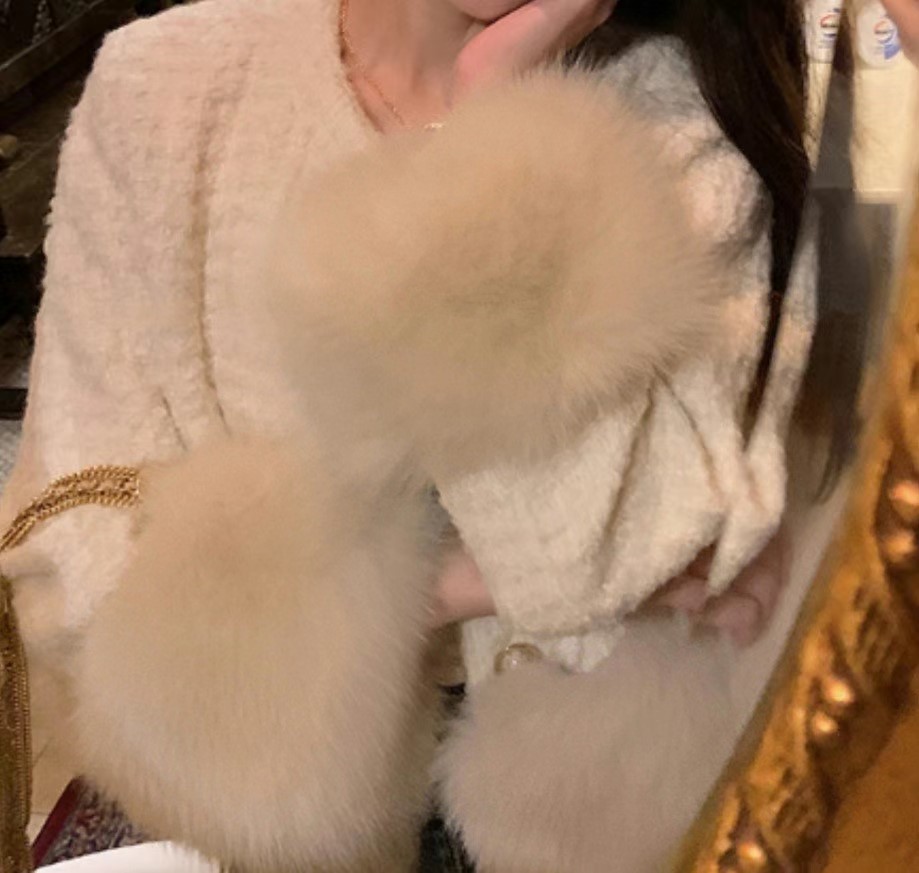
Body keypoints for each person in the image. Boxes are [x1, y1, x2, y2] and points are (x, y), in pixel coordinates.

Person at [0, 0, 822, 869]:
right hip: (284, 841)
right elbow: (75, 553)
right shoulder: (164, 87)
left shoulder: (684, 112)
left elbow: (606, 554)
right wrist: (446, 590)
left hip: (610, 824)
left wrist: (493, 130)